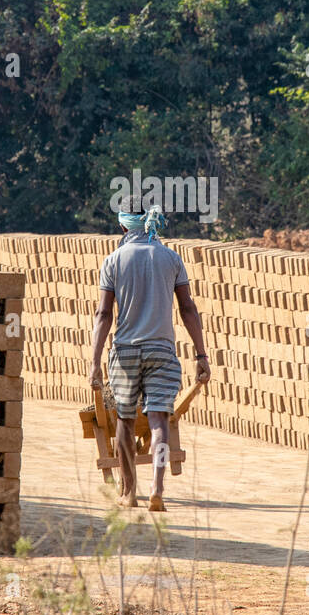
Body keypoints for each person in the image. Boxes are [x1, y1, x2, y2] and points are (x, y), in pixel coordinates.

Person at [89, 205, 210, 511]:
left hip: (125, 352)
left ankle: (129, 492)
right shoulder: (170, 258)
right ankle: (157, 487)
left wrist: (94, 363)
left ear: (123, 228)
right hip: (161, 351)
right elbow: (187, 309)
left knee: (125, 423)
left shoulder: (113, 261)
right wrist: (201, 354)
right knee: (158, 422)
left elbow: (104, 314)